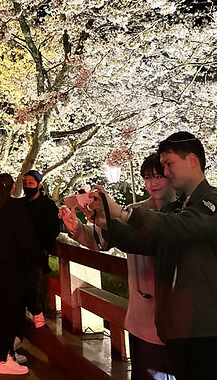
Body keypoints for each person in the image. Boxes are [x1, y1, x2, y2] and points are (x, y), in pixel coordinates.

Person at [102, 132, 217, 380]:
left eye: (169, 164)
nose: (166, 171)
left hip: (209, 328)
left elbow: (177, 227)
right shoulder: (176, 209)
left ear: (191, 159)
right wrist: (105, 217)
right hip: (178, 327)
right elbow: (143, 241)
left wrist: (124, 213)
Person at [59, 154, 179, 380]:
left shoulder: (184, 215)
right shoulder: (131, 211)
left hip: (178, 318)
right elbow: (101, 241)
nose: (152, 183)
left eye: (158, 177)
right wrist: (77, 228)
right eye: (146, 177)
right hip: (142, 317)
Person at [0, 173, 46, 375]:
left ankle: (6, 353)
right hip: (12, 269)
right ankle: (4, 358)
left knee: (2, 311)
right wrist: (41, 262)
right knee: (9, 312)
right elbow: (27, 239)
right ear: (14, 186)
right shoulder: (15, 208)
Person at [21, 169, 60, 329]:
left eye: (30, 183)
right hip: (21, 251)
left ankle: (38, 316)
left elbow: (54, 229)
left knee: (34, 283)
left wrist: (42, 244)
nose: (27, 186)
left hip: (38, 251)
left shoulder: (48, 205)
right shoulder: (21, 205)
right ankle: (26, 314)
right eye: (25, 184)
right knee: (22, 283)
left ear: (39, 185)